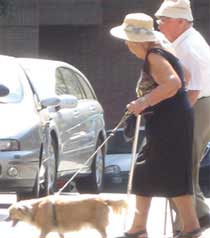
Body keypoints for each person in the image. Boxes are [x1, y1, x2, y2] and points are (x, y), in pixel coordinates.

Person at [110, 12, 201, 238]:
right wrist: (158, 98)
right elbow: (186, 76)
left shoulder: (154, 55)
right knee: (156, 171)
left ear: (136, 40)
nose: (126, 44)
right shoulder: (164, 51)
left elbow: (174, 82)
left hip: (169, 121)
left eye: (127, 39)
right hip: (173, 118)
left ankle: (183, 227)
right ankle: (144, 227)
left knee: (157, 171)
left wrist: (144, 101)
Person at [155, 0, 210, 232]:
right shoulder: (181, 41)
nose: (159, 24)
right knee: (183, 163)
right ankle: (198, 216)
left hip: (198, 105)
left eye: (163, 20)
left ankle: (188, 224)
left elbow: (195, 89)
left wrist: (174, 119)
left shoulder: (189, 45)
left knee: (181, 163)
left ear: (181, 21)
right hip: (197, 104)